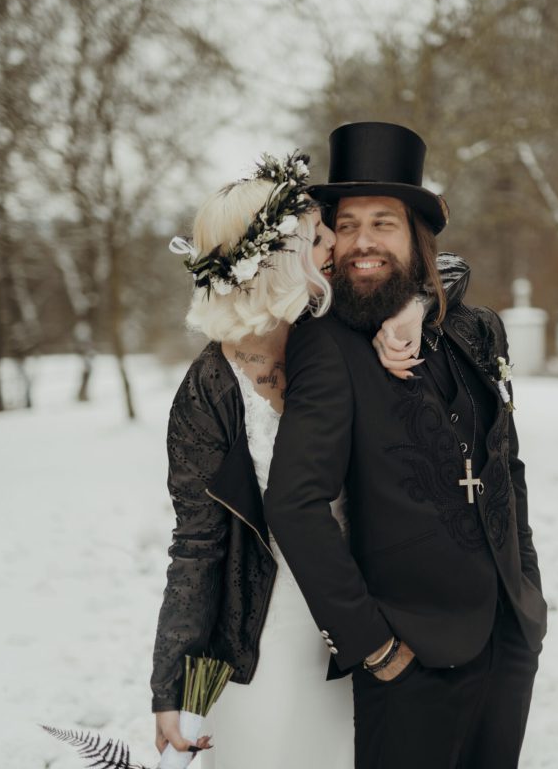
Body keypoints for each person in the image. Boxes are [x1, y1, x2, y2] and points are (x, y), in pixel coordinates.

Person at [150, 152, 463, 768]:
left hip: (365, 616)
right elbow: (197, 546)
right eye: (319, 237)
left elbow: (447, 268)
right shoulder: (209, 389)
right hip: (263, 635)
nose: (336, 250)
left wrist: (413, 307)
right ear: (274, 258)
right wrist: (172, 685)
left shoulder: (347, 330)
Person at [264, 122, 548, 769]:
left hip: (510, 635)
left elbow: (510, 465)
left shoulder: (480, 330)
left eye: (384, 223)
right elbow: (295, 501)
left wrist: (528, 589)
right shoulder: (326, 343)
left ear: (416, 236)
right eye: (350, 223)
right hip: (409, 655)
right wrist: (373, 644)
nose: (364, 241)